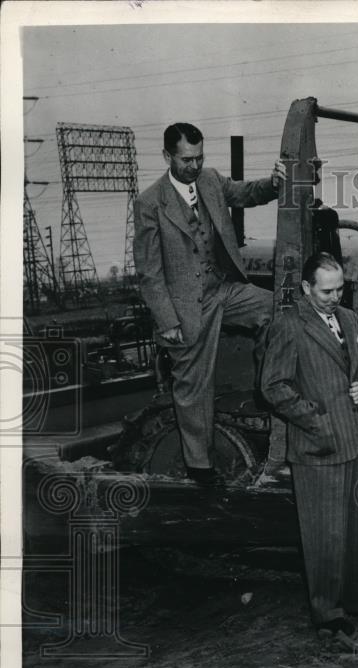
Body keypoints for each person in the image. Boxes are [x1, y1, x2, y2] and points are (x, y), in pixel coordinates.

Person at [134, 122, 286, 486]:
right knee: (192, 389)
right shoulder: (149, 203)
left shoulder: (212, 181)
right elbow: (149, 274)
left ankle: (268, 390)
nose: (194, 166)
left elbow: (248, 193)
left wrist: (276, 182)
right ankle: (200, 472)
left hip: (224, 291)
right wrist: (168, 320)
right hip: (186, 308)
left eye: (200, 157)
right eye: (187, 160)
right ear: (168, 156)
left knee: (277, 312)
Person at [260, 252, 358, 645]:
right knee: (324, 535)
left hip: (356, 439)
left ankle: (357, 601)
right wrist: (317, 419)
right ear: (307, 288)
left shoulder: (351, 319)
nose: (334, 297)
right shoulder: (289, 325)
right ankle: (328, 614)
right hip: (319, 445)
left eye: (340, 288)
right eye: (326, 290)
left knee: (357, 529)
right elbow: (273, 386)